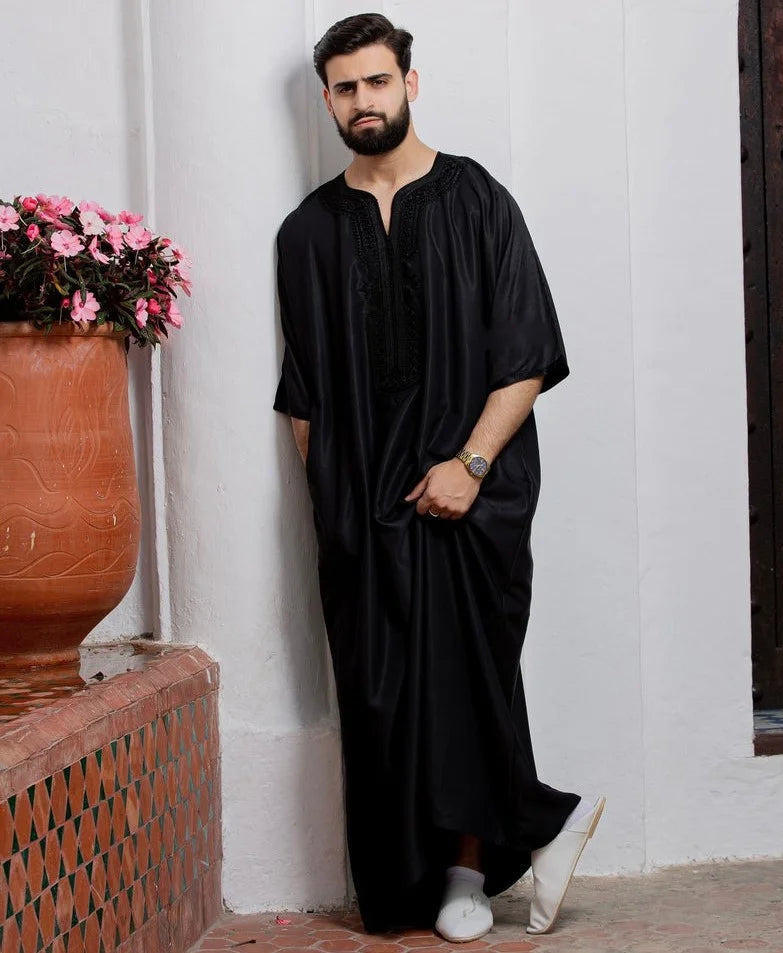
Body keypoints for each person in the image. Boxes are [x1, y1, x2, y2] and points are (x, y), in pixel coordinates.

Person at [273, 12, 605, 942]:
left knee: (464, 678)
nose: (363, 100)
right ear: (328, 100)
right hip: (359, 507)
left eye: (377, 81)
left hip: (469, 494)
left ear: (409, 84)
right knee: (378, 695)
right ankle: (480, 850)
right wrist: (333, 502)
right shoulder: (306, 232)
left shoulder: (477, 200)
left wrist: (468, 465)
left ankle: (469, 870)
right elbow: (303, 392)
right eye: (345, 87)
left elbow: (527, 355)